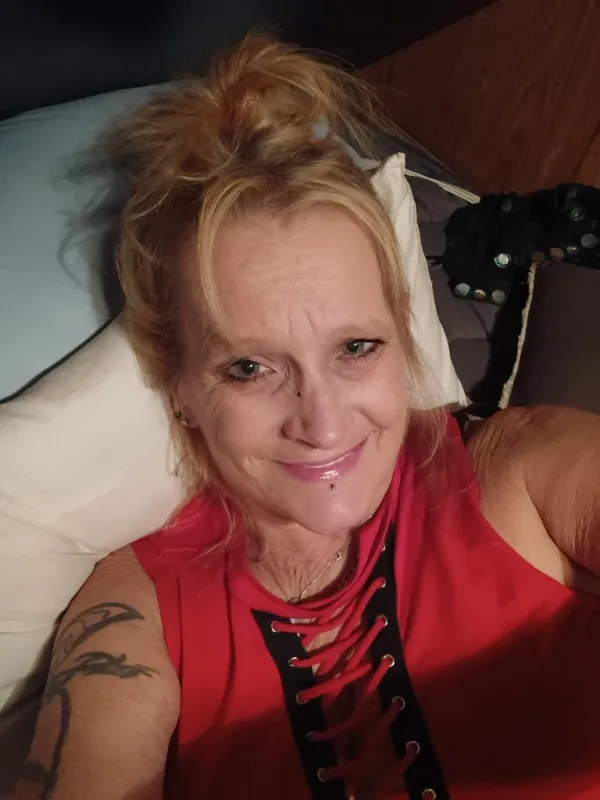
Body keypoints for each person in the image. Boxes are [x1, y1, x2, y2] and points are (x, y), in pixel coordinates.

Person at [13, 34, 600, 800]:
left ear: (401, 335)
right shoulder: (139, 602)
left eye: (356, 347)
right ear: (177, 385)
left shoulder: (522, 469)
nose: (322, 425)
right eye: (249, 368)